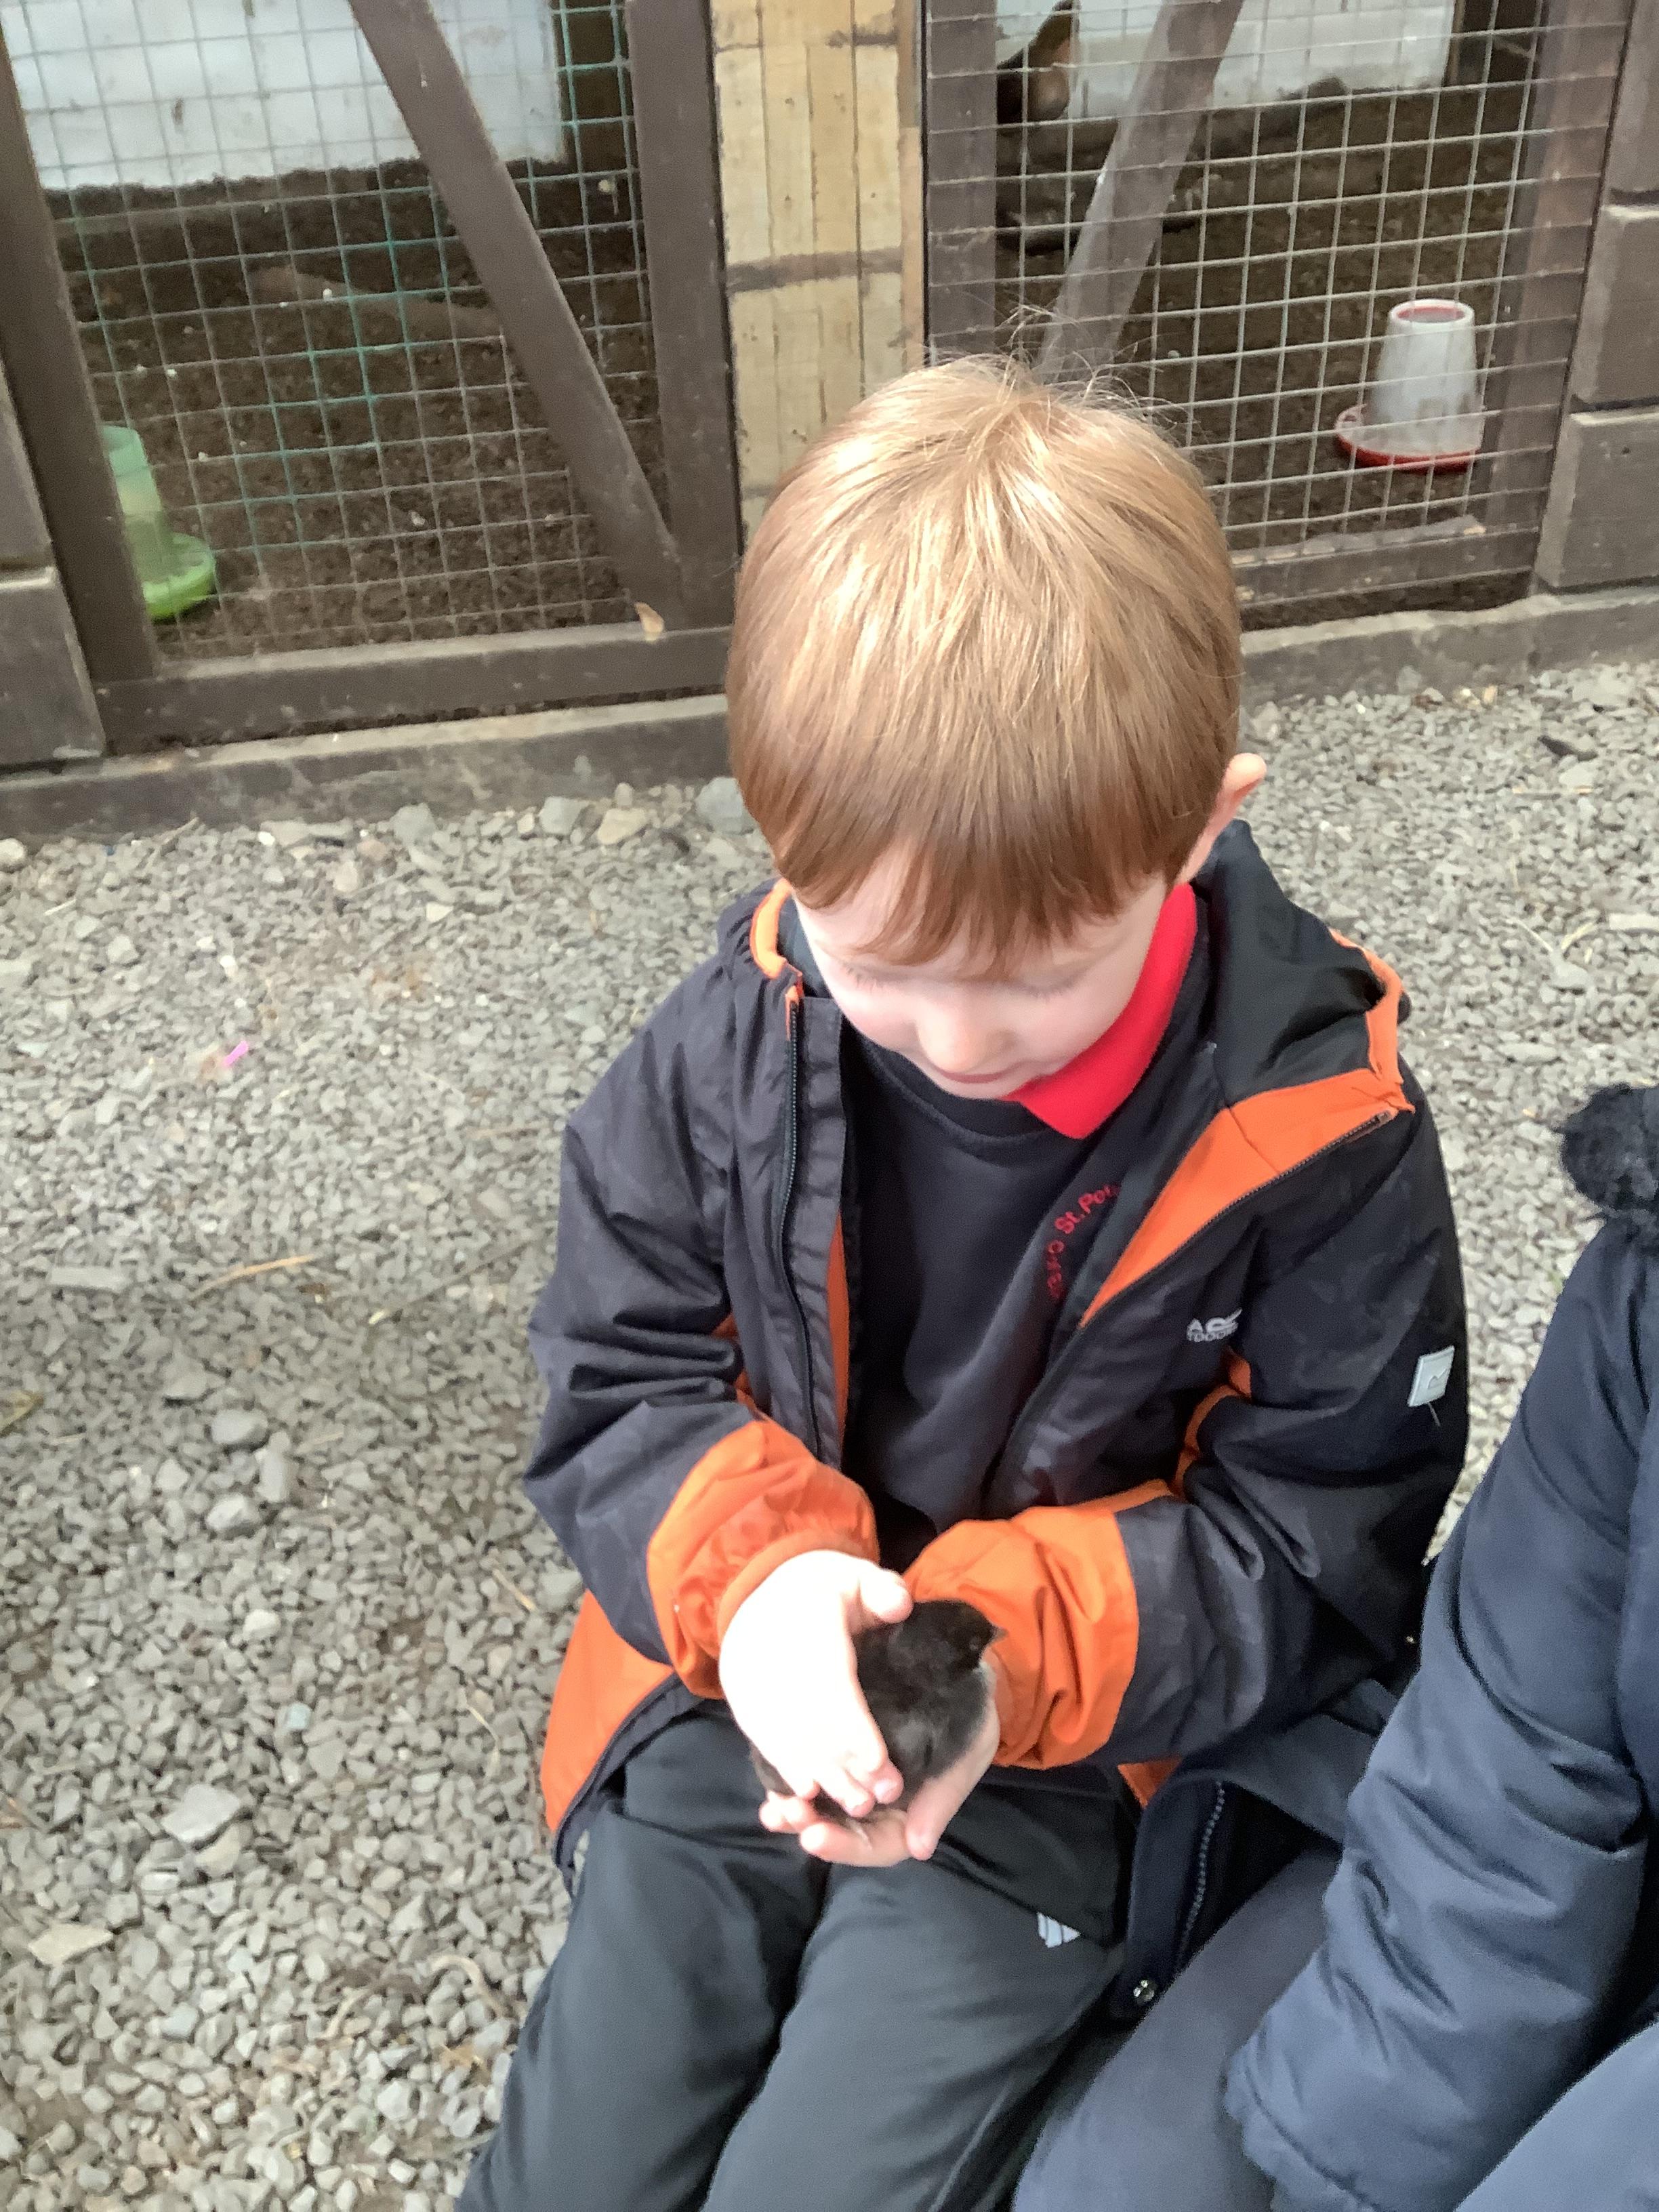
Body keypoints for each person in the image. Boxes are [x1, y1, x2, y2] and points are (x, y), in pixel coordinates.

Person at [455, 358, 1467, 2212]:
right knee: (584, 2150)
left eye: (1040, 974)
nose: (956, 1040)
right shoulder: (733, 1040)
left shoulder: (1322, 1143)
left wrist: (990, 1666)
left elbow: (1323, 1545)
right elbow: (618, 1371)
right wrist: (762, 1589)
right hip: (744, 1678)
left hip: (1069, 1745)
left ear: (1201, 827)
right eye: (880, 963)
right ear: (782, 853)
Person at [1019, 1082, 1659, 2212]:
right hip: (1537, 1847)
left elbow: (1304, 1542)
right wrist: (1343, 2166)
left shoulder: (1329, 1124)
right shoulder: (1644, 1278)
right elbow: (1521, 1717)